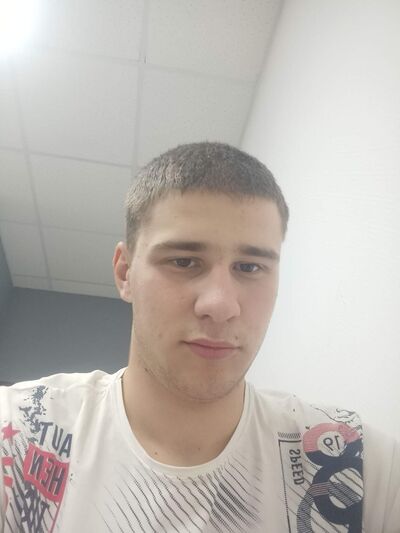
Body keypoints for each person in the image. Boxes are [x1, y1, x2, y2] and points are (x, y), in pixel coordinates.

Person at [0, 142, 398, 533]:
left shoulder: (353, 462)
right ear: (125, 273)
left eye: (249, 267)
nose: (221, 305)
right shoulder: (20, 432)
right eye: (184, 261)